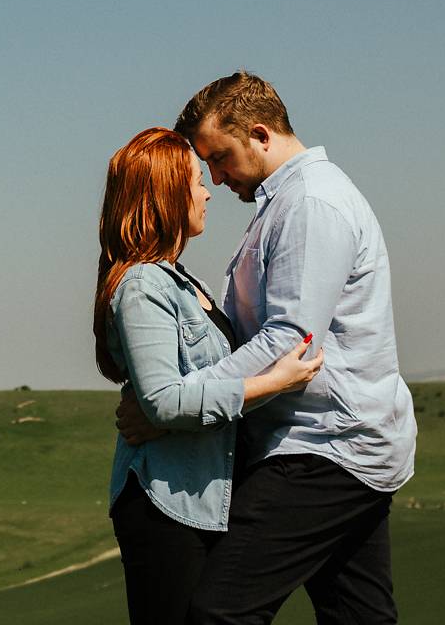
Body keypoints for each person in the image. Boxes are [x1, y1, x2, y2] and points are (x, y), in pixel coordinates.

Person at [118, 73, 416, 625]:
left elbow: (289, 342)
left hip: (322, 448)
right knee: (360, 616)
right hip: (348, 444)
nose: (215, 176)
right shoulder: (289, 203)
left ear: (259, 134)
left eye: (220, 157)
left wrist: (176, 408)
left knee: (219, 613)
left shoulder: (311, 205)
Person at [96, 126, 324, 625]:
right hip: (166, 504)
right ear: (164, 193)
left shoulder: (183, 280)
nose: (207, 190)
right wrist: (274, 382)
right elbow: (162, 401)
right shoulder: (141, 285)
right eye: (195, 179)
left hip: (206, 497)